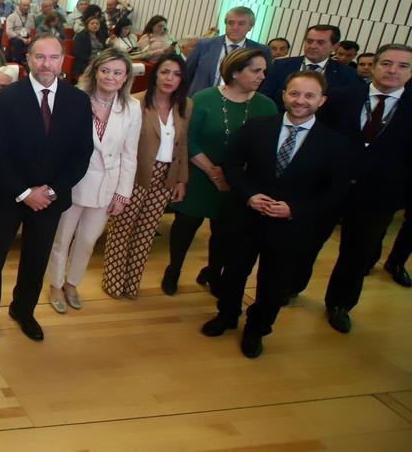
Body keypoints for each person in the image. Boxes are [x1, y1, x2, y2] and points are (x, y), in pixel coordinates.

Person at [201, 70, 351, 358]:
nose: (300, 100)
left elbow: (334, 192)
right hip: (247, 216)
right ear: (283, 95)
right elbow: (232, 164)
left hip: (291, 226)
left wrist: (295, 209)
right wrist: (248, 195)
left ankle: (257, 328)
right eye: (294, 93)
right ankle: (228, 315)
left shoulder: (334, 143)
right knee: (233, 272)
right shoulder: (257, 126)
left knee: (274, 282)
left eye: (309, 95)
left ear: (322, 101)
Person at [0, 34, 93, 342]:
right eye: (39, 57)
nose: (46, 63)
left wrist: (52, 192)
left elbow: (82, 153)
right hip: (9, 194)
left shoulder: (78, 100)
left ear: (62, 61)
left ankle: (23, 310)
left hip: (50, 200)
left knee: (36, 257)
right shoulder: (5, 98)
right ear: (28, 59)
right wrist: (25, 193)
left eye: (53, 57)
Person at [291, 43, 412, 333]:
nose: (393, 70)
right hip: (328, 188)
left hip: (378, 197)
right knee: (306, 244)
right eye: (386, 63)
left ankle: (340, 304)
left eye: (403, 66)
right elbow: (315, 140)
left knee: (357, 255)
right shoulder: (341, 98)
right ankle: (290, 287)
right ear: (373, 66)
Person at [164, 48, 276, 294]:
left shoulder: (266, 106)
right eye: (255, 70)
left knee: (224, 233)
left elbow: (267, 147)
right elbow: (187, 140)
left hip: (239, 183)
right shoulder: (204, 99)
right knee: (185, 226)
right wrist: (214, 172)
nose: (262, 76)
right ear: (235, 72)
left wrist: (235, 178)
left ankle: (214, 272)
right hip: (199, 175)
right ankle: (173, 270)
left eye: (264, 71)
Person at [46, 50, 141, 313]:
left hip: (106, 187)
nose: (111, 77)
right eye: (105, 70)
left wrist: (123, 194)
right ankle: (55, 284)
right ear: (95, 72)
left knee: (88, 240)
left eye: (118, 72)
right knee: (61, 238)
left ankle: (72, 283)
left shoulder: (132, 107)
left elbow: (129, 154)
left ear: (125, 78)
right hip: (73, 182)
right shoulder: (76, 99)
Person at [102, 53, 191, 299]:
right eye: (165, 72)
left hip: (166, 177)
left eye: (176, 74)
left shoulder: (186, 105)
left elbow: (182, 146)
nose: (169, 78)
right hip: (136, 174)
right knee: (122, 229)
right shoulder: (135, 103)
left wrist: (181, 179)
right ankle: (113, 281)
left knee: (146, 231)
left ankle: (132, 284)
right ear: (155, 75)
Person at [259, 25, 357, 107]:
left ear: (334, 47)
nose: (312, 46)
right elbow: (264, 97)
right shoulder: (280, 65)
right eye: (309, 41)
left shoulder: (347, 74)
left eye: (320, 42)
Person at [185, 6, 271, 93]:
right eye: (231, 23)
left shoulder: (260, 51)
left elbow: (263, 82)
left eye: (241, 24)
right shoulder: (204, 45)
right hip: (201, 101)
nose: (235, 27)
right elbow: (187, 73)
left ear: (250, 27)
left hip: (240, 103)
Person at [71, 15, 105, 82]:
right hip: (85, 64)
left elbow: (104, 50)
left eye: (97, 23)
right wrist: (95, 61)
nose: (95, 25)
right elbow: (78, 54)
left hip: (100, 62)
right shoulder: (81, 36)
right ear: (87, 25)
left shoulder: (100, 36)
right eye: (92, 23)